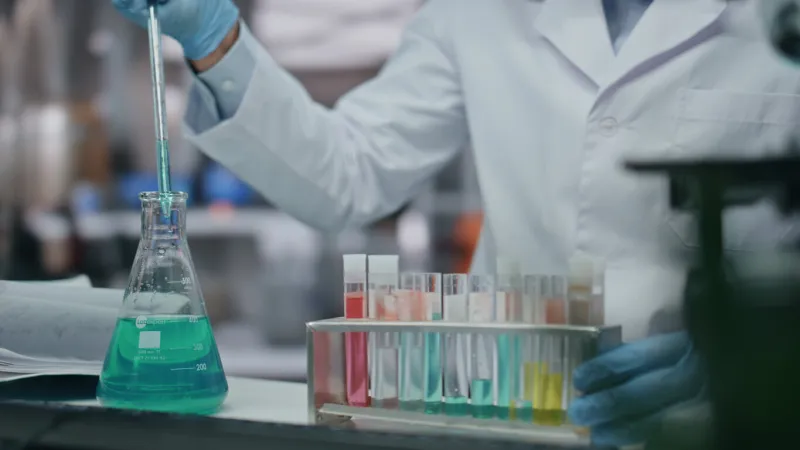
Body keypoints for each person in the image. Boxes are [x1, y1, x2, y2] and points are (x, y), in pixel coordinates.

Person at [111, 0, 798, 445]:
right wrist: (215, 37)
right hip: (514, 422)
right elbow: (350, 173)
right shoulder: (479, 10)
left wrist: (757, 354)